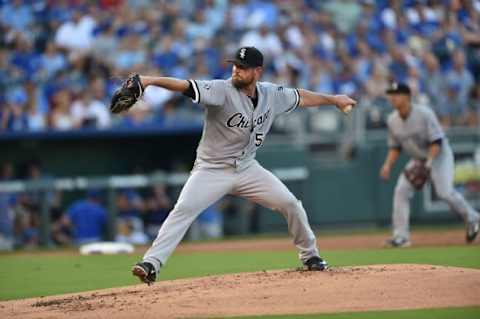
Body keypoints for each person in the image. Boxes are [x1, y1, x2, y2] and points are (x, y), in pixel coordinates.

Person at [130, 46, 356, 285]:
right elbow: (186, 85)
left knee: (290, 204)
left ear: (257, 71)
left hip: (248, 168)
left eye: (243, 67)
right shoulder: (221, 89)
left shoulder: (271, 94)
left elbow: (301, 96)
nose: (236, 70)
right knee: (183, 210)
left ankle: (311, 256)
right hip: (211, 169)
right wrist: (150, 80)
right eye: (235, 65)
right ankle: (151, 263)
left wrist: (333, 100)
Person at [380, 82, 480, 247]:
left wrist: (430, 163)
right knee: (401, 191)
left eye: (396, 94)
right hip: (419, 158)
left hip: (439, 155)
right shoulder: (392, 120)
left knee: (445, 192)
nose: (393, 97)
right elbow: (395, 147)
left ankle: (473, 218)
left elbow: (437, 141)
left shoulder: (424, 113)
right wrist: (387, 165)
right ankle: (401, 237)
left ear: (407, 96)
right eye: (391, 94)